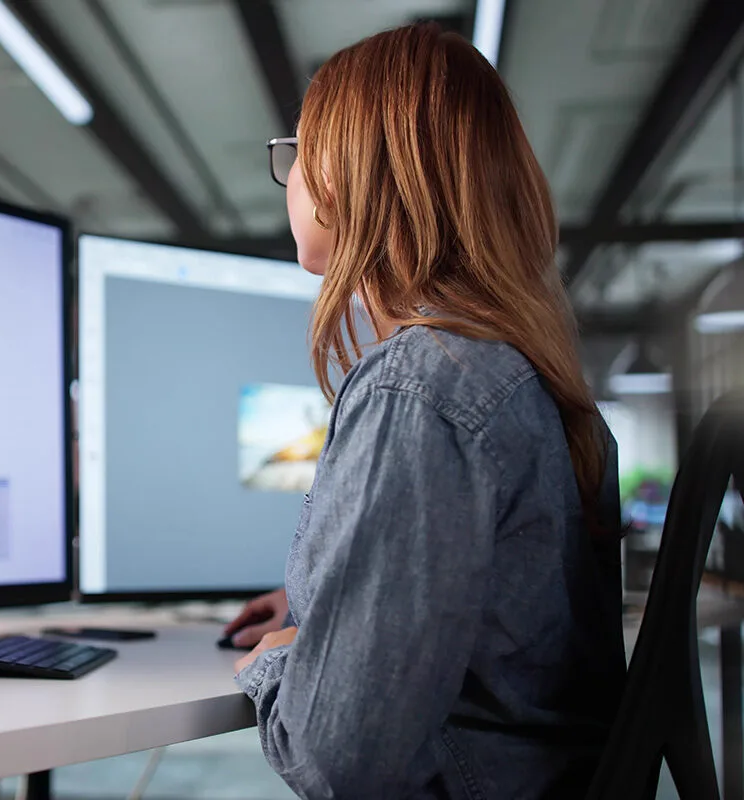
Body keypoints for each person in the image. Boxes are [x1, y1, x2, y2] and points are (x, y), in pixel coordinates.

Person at [222, 23, 627, 799]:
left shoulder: (417, 388)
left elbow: (337, 756)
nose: (292, 176)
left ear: (345, 174)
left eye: (300, 150)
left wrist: (284, 654)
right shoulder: (530, 375)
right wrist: (328, 605)